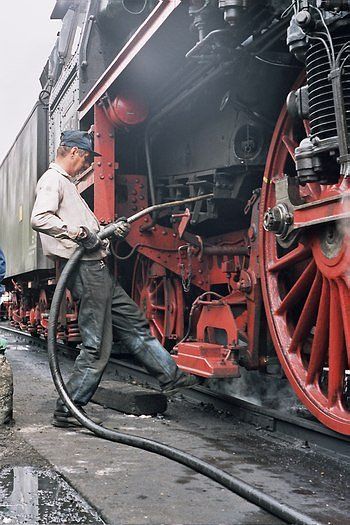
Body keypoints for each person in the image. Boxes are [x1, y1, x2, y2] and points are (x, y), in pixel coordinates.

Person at [31, 131, 199, 428]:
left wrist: (108, 230)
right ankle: (69, 408)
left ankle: (171, 377)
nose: (85, 165)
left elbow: (87, 229)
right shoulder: (52, 180)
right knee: (96, 345)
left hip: (97, 269)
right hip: (84, 270)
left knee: (133, 322)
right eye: (84, 158)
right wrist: (76, 233)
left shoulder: (67, 184)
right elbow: (40, 218)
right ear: (71, 152)